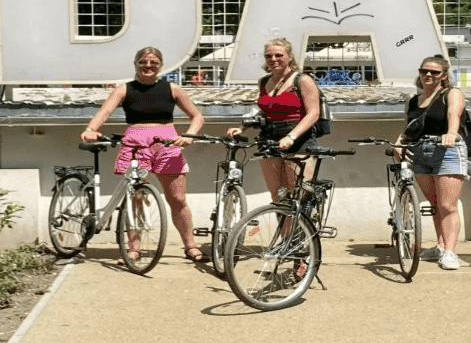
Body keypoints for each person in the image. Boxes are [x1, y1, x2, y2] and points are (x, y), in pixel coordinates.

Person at [80, 46, 207, 264]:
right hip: (135, 143)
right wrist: (91, 129)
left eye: (153, 63)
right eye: (143, 62)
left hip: (167, 143)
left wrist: (190, 135)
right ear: (136, 64)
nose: (148, 66)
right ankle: (134, 249)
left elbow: (196, 116)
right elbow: (105, 112)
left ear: (160, 65)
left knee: (177, 198)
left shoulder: (173, 89)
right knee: (136, 198)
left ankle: (191, 246)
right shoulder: (124, 89)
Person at [227, 37, 324, 203]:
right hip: (269, 135)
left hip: (298, 135)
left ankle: (302, 228)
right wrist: (242, 128)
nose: (273, 59)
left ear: (289, 57)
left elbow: (313, 114)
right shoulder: (264, 81)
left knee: (297, 194)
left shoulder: (302, 80)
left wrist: (291, 136)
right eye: (268, 56)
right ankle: (284, 230)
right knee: (277, 194)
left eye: (278, 55)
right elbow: (264, 110)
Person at [402, 54, 467, 270]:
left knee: (447, 205)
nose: (428, 75)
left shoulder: (451, 93)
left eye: (434, 72)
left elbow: (453, 115)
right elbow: (410, 128)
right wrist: (398, 144)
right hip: (420, 151)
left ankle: (450, 252)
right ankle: (440, 245)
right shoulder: (413, 100)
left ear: (444, 75)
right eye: (424, 71)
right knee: (434, 203)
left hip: (446, 149)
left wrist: (451, 133)